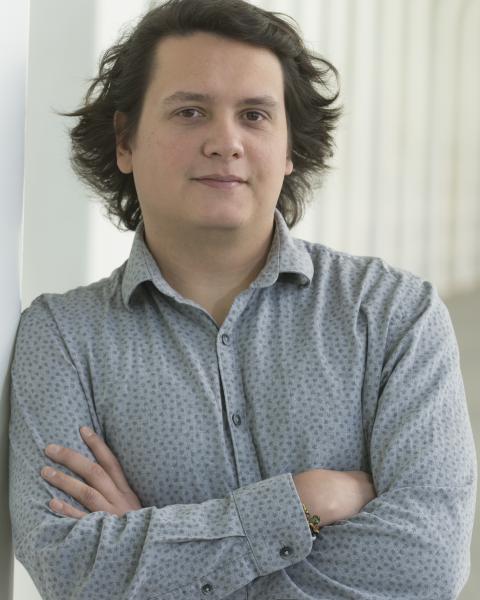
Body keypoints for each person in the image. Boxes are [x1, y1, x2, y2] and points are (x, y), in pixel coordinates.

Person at [9, 0, 477, 598]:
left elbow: (425, 565)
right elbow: (69, 568)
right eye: (190, 112)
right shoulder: (61, 338)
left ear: (288, 148)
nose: (225, 142)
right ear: (125, 141)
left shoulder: (394, 314)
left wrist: (152, 548)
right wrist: (302, 503)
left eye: (254, 115)